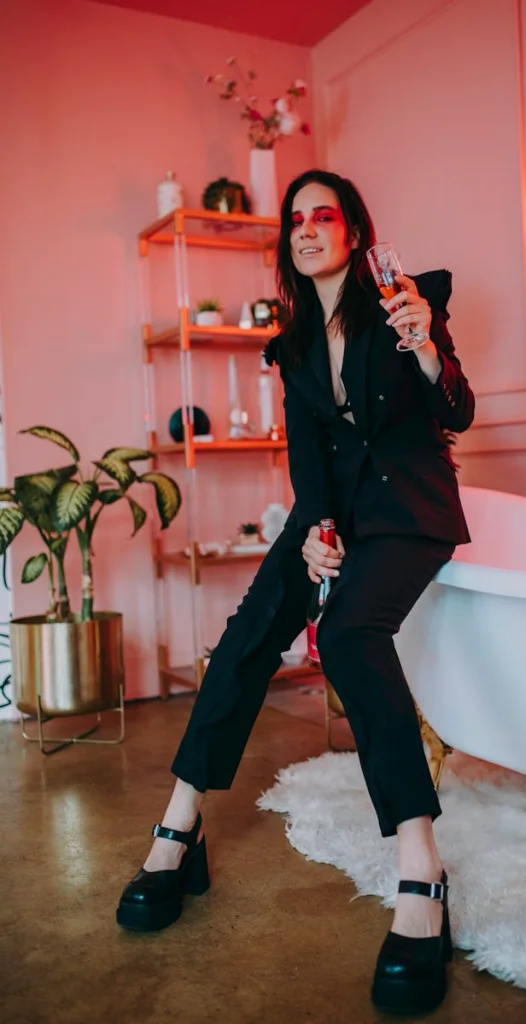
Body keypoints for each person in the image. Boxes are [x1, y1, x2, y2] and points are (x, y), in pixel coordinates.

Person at [116, 168, 475, 1015]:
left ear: (352, 229)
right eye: (295, 219)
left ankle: (422, 871)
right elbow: (309, 462)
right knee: (245, 634)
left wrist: (427, 349)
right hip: (335, 516)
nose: (308, 228)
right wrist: (313, 535)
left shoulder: (410, 300)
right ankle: (180, 827)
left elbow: (455, 414)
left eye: (324, 215)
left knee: (348, 634)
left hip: (407, 510)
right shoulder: (292, 343)